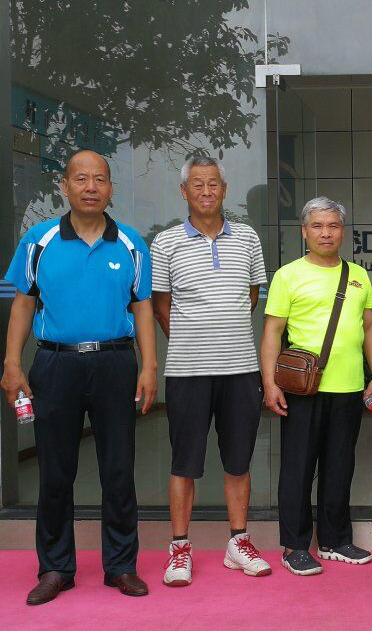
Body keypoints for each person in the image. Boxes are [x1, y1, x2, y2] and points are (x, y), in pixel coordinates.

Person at [1, 150, 156, 604]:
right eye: (82, 179)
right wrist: (11, 363)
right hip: (56, 365)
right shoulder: (39, 239)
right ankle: (55, 568)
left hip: (115, 363)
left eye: (100, 179)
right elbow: (23, 303)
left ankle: (121, 566)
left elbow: (142, 306)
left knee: (118, 470)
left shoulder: (130, 243)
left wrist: (149, 366)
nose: (91, 187)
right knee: (55, 472)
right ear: (64, 186)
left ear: (110, 188)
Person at [151, 157, 270, 586]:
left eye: (213, 183)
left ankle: (238, 543)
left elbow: (251, 296)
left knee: (238, 460)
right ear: (184, 192)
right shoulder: (165, 243)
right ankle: (180, 548)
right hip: (187, 371)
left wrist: (223, 333)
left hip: (240, 369)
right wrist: (195, 338)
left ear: (224, 189)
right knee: (184, 463)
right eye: (197, 184)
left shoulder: (248, 237)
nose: (206, 191)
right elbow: (161, 305)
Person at [260, 196, 372, 576]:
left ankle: (334, 540)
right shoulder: (288, 275)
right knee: (297, 467)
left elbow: (370, 327)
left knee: (340, 465)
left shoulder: (358, 275)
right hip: (303, 389)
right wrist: (269, 382)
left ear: (342, 231)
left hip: (348, 388)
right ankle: (294, 545)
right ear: (304, 231)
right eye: (317, 226)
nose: (325, 233)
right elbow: (272, 332)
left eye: (332, 225)